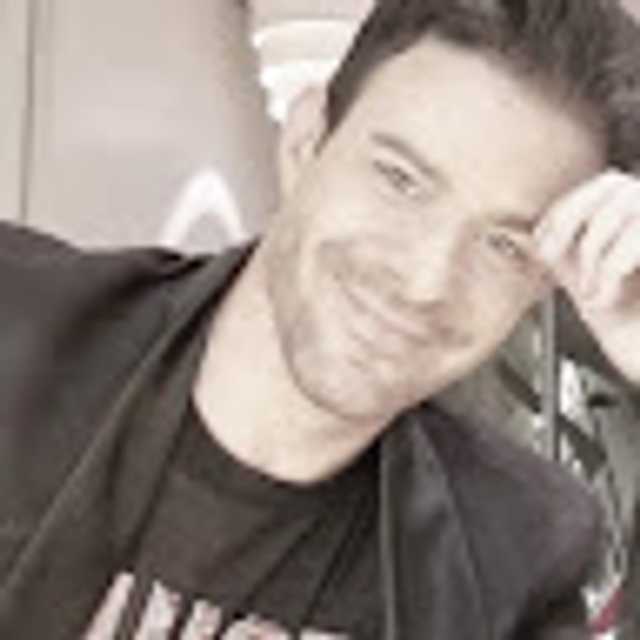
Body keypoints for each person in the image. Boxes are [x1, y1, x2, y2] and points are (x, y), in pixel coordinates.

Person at [1, 0, 640, 637]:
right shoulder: (17, 316)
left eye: (504, 246)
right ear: (307, 141)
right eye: (401, 180)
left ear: (544, 282)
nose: (425, 282)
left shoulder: (518, 551)